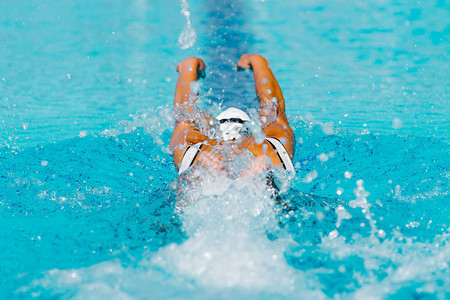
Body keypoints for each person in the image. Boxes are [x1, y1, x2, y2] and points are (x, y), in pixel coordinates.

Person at [170, 54, 295, 180]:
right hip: (261, 153)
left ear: (216, 131)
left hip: (207, 155)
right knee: (274, 118)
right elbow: (273, 107)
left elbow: (184, 112)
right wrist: (257, 61)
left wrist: (189, 65)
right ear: (249, 130)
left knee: (185, 120)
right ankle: (257, 173)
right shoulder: (267, 139)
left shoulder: (199, 142)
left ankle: (207, 169)